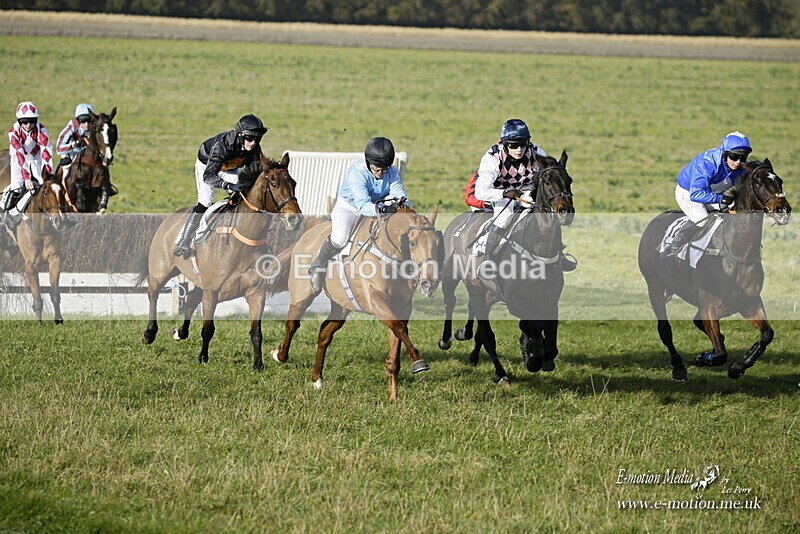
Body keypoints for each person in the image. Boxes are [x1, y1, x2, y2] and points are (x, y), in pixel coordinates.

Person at [308, 137, 409, 294]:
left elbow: (401, 195)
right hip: (350, 208)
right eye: (377, 169)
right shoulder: (357, 171)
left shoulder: (392, 171)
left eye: (385, 169)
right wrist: (384, 209)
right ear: (368, 163)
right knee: (340, 237)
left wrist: (401, 204)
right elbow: (363, 206)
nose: (381, 174)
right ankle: (318, 265)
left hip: (377, 208)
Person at [473, 118, 577, 271]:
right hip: (499, 193)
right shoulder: (492, 158)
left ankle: (559, 254)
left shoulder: (535, 152)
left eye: (523, 144)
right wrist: (505, 193)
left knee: (545, 212)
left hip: (526, 190)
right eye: (513, 145)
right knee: (505, 215)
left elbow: (549, 171)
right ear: (504, 143)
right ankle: (488, 259)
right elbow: (480, 192)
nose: (519, 149)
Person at [173, 114, 268, 258]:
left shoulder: (254, 148)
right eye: (250, 138)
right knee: (206, 200)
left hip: (229, 166)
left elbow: (255, 173)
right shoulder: (222, 145)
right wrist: (228, 186)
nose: (254, 142)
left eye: (257, 138)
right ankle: (183, 241)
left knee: (243, 191)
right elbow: (209, 176)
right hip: (208, 166)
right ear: (241, 136)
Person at [661, 131, 752, 259]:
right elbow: (696, 194)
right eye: (734, 156)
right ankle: (671, 250)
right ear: (725, 153)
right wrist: (721, 199)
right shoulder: (708, 164)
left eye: (743, 158)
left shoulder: (740, 167)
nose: (738, 162)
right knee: (702, 219)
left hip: (711, 194)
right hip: (688, 193)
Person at [0, 101, 54, 231]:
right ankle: (4, 215)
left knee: (46, 186)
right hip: (18, 161)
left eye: (31, 121)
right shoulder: (13, 132)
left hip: (36, 160)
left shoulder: (42, 130)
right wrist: (26, 178)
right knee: (17, 187)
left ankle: (63, 213)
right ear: (19, 122)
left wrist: (48, 175)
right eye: (24, 122)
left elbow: (46, 153)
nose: (28, 125)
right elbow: (19, 155)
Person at [56, 103, 94, 181]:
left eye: (89, 121)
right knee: (65, 163)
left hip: (88, 154)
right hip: (72, 153)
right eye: (83, 121)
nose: (86, 125)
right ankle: (63, 186)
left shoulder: (96, 126)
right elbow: (59, 148)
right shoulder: (72, 125)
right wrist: (74, 144)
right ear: (77, 120)